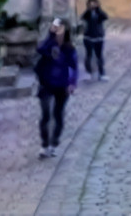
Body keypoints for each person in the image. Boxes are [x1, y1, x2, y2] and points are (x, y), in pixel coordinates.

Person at [35, 18, 77, 158]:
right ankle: (44, 144)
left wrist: (72, 83)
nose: (57, 29)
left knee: (58, 114)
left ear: (66, 30)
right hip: (46, 84)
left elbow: (73, 67)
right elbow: (40, 49)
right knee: (46, 115)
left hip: (61, 85)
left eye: (59, 27)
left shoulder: (69, 48)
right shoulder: (49, 44)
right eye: (55, 27)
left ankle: (54, 143)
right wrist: (50, 35)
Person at [80, 0, 108, 82]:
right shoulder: (87, 13)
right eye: (90, 3)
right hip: (88, 37)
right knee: (88, 55)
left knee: (99, 56)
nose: (92, 5)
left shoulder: (99, 13)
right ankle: (88, 73)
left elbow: (105, 17)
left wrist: (98, 8)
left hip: (98, 37)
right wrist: (89, 10)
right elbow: (83, 17)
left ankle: (101, 73)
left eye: (94, 3)